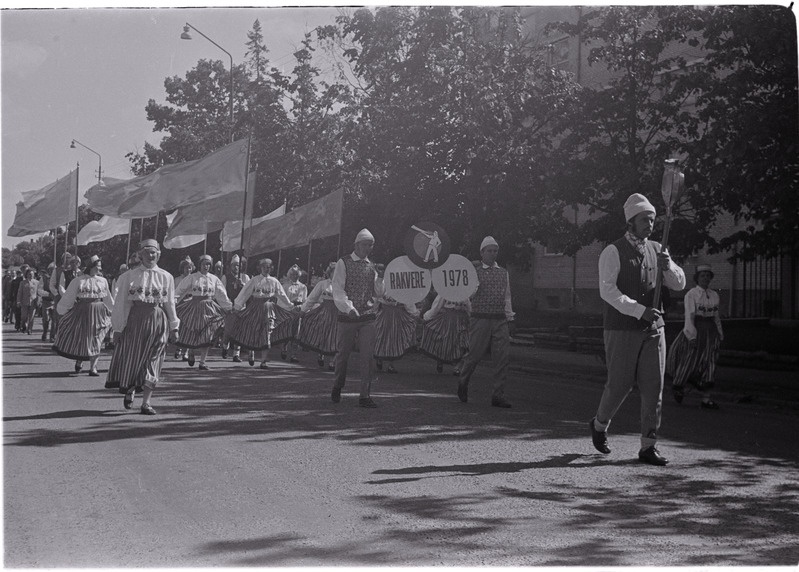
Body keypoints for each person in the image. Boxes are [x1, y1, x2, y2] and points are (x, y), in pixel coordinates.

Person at [589, 193, 686, 466]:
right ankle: (599, 425)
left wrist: (670, 267)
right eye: (645, 219)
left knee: (653, 387)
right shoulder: (613, 251)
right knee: (619, 385)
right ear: (631, 221)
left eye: (653, 219)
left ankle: (648, 445)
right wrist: (638, 310)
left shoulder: (658, 249)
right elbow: (608, 291)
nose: (650, 224)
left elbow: (679, 284)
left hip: (655, 327)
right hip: (622, 328)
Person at [105, 239, 179, 415]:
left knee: (155, 360)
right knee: (134, 358)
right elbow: (122, 304)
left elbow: (169, 303)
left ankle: (146, 402)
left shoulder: (166, 277)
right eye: (147, 252)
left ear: (159, 254)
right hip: (136, 321)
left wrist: (174, 326)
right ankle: (130, 388)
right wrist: (117, 328)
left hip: (158, 321)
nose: (150, 256)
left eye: (154, 252)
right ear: (140, 255)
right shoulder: (129, 277)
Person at [457, 236, 516, 408]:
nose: (492, 254)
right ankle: (463, 381)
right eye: (489, 251)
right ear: (482, 253)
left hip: (499, 319)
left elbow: (507, 297)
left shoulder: (503, 272)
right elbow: (468, 295)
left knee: (502, 358)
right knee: (474, 355)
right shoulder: (474, 272)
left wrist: (510, 317)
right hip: (480, 318)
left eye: (495, 251)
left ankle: (498, 394)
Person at [330, 228, 385, 407]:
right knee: (342, 355)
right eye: (365, 245)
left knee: (368, 356)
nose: (368, 248)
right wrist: (348, 307)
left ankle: (364, 395)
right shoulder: (343, 262)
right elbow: (337, 288)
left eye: (371, 245)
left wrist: (380, 278)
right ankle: (338, 385)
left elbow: (378, 292)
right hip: (348, 317)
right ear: (356, 245)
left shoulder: (372, 266)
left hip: (367, 316)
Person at [666, 264, 724, 409]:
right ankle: (678, 387)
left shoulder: (715, 295)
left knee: (709, 363)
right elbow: (690, 316)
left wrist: (720, 333)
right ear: (697, 278)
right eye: (702, 276)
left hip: (710, 333)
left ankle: (706, 399)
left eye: (707, 275)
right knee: (689, 361)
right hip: (696, 331)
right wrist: (691, 336)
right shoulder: (691, 294)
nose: (705, 278)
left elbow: (716, 316)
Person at [53, 255, 114, 376]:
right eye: (98, 266)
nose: (99, 269)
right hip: (82, 311)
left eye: (100, 267)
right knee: (83, 337)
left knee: (97, 338)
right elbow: (69, 296)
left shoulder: (103, 281)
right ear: (91, 267)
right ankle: (79, 360)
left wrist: (114, 310)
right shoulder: (79, 280)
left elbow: (107, 298)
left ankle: (93, 367)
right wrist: (63, 310)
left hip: (99, 311)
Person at [227, 258, 293, 369]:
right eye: (264, 267)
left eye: (268, 267)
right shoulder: (254, 280)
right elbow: (245, 293)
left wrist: (290, 306)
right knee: (253, 329)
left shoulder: (274, 281)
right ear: (260, 268)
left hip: (269, 308)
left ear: (271, 268)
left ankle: (263, 361)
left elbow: (282, 295)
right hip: (255, 307)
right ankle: (251, 352)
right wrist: (237, 306)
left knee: (267, 332)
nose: (266, 269)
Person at [174, 254, 232, 370]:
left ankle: (202, 361)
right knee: (193, 330)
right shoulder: (192, 277)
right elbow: (181, 290)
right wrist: (174, 301)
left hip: (209, 308)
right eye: (204, 264)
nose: (206, 266)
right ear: (199, 265)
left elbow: (221, 294)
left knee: (208, 333)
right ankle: (190, 351)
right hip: (194, 306)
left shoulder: (214, 279)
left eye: (209, 264)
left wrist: (229, 307)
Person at [373, 265, 419, 374]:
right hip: (384, 313)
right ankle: (379, 357)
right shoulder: (385, 283)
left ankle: (390, 365)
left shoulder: (404, 286)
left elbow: (408, 301)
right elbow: (378, 294)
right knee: (381, 336)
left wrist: (414, 313)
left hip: (397, 315)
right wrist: (380, 278)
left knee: (394, 339)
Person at [297, 261, 339, 370]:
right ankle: (321, 353)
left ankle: (332, 362)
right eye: (334, 272)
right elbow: (312, 298)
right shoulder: (323, 284)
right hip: (324, 310)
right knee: (322, 332)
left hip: (338, 312)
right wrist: (303, 310)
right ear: (329, 273)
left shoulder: (342, 285)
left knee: (335, 336)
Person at [420, 291, 470, 375]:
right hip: (447, 319)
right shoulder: (444, 292)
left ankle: (457, 367)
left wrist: (472, 318)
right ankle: (440, 361)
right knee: (443, 340)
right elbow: (436, 307)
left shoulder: (464, 294)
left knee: (461, 342)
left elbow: (469, 308)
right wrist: (426, 317)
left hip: (461, 320)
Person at [221, 254, 252, 363]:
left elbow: (249, 291)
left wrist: (242, 284)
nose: (236, 267)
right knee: (229, 330)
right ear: (230, 266)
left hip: (242, 307)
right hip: (230, 306)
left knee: (239, 330)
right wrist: (228, 305)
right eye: (234, 265)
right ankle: (225, 346)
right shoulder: (225, 277)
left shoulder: (245, 277)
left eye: (238, 265)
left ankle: (236, 354)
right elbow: (222, 292)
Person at [279, 264, 307, 363]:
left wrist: (303, 308)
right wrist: (287, 308)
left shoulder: (303, 287)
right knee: (287, 331)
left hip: (298, 310)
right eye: (293, 274)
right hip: (288, 309)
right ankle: (284, 347)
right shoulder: (285, 286)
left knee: (296, 333)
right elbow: (281, 299)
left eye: (296, 275)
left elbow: (305, 300)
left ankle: (294, 354)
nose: (295, 276)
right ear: (289, 275)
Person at [49, 253, 78, 340]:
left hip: (72, 297)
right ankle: (53, 336)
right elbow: (52, 284)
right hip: (59, 297)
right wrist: (57, 294)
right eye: (65, 258)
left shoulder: (75, 271)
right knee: (57, 317)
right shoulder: (57, 270)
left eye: (69, 258)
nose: (67, 260)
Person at [173, 256, 194, 362]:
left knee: (189, 328)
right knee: (180, 327)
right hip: (180, 305)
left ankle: (185, 352)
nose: (188, 270)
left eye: (190, 268)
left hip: (191, 306)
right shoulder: (177, 280)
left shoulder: (194, 278)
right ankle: (178, 347)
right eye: (186, 268)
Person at [16, 268, 39, 335]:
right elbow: (19, 292)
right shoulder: (22, 283)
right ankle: (24, 325)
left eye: (32, 274)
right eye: (29, 274)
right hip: (24, 302)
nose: (31, 275)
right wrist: (18, 301)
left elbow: (38, 292)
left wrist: (38, 301)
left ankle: (30, 329)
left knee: (31, 317)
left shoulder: (37, 282)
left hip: (33, 302)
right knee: (24, 317)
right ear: (27, 275)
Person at [38, 263, 56, 341]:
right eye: (51, 270)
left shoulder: (58, 278)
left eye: (54, 270)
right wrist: (48, 294)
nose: (52, 271)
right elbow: (39, 290)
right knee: (46, 319)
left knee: (54, 320)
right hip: (46, 301)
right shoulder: (43, 278)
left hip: (55, 302)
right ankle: (45, 332)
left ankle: (52, 336)